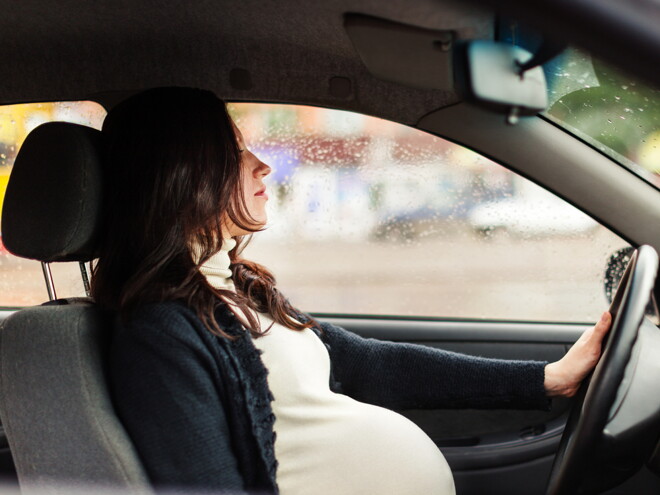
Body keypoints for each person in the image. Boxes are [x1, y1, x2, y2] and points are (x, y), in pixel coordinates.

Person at [92, 87, 612, 495]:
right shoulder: (160, 332)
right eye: (233, 151)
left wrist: (548, 379)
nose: (262, 163)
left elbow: (367, 364)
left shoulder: (233, 288)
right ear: (181, 176)